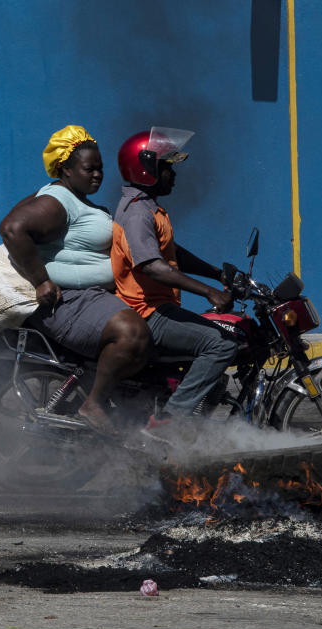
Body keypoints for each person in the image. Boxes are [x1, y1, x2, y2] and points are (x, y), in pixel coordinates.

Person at [0, 125, 151, 437]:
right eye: (89, 168)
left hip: (94, 297)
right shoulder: (59, 199)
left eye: (100, 168)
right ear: (65, 169)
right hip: (69, 301)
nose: (97, 174)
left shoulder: (81, 201)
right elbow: (12, 228)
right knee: (132, 334)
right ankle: (93, 404)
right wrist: (41, 280)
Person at [111, 127, 238, 432]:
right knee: (222, 345)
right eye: (167, 167)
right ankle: (169, 422)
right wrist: (210, 292)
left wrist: (219, 274)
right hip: (147, 313)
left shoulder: (149, 208)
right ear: (147, 168)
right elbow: (153, 266)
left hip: (159, 307)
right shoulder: (137, 212)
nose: (174, 174)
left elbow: (172, 252)